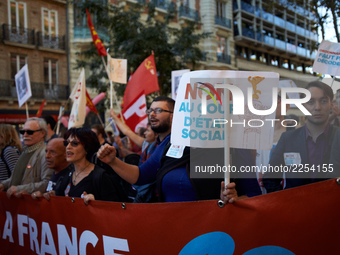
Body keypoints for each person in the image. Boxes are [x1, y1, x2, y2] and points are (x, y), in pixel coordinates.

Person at [98, 96, 239, 203]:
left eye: (158, 110)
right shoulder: (170, 144)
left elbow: (253, 196)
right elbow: (140, 175)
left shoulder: (230, 150)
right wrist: (113, 162)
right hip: (172, 226)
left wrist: (234, 199)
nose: (152, 114)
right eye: (151, 111)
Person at [263, 81, 339, 192]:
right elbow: (270, 178)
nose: (317, 107)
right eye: (311, 102)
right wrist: (286, 202)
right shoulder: (288, 139)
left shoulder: (337, 136)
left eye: (323, 101)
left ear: (331, 104)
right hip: (295, 206)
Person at [53, 128, 127, 204]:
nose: (68, 147)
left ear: (87, 148)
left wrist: (97, 203)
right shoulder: (66, 175)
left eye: (74, 143)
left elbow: (114, 209)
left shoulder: (101, 177)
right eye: (66, 143)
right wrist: (52, 197)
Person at [0, 117, 53, 197]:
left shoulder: (45, 153)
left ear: (42, 133)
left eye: (29, 132)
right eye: (22, 132)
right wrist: (4, 184)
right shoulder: (26, 151)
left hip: (33, 204)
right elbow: (18, 177)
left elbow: (47, 183)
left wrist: (19, 189)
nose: (25, 135)